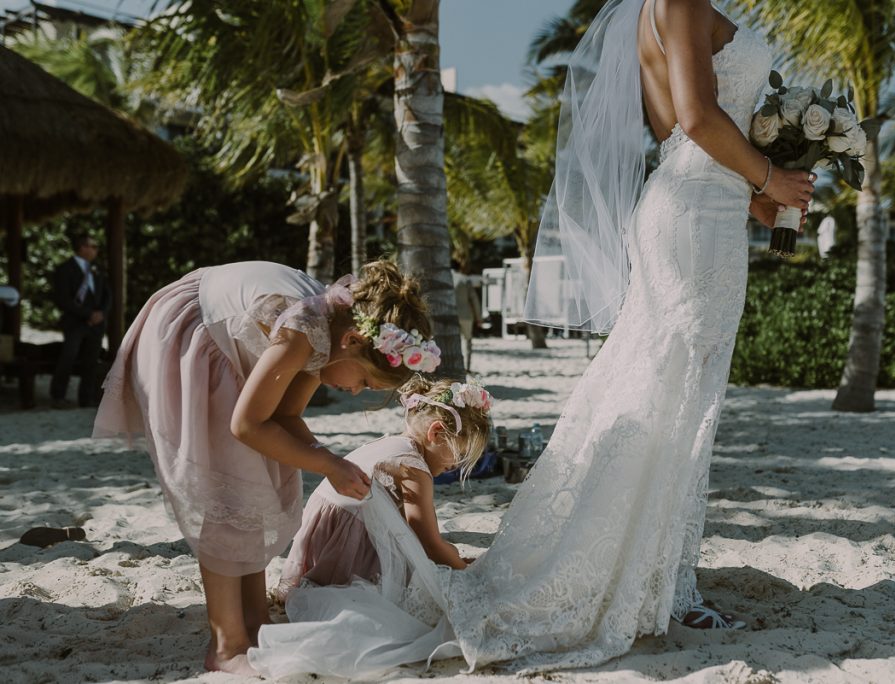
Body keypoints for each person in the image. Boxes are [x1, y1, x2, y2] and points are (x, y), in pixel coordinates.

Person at [237, 0, 818, 677]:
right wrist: (772, 175)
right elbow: (693, 119)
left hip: (701, 203)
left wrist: (754, 194)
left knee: (676, 394)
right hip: (695, 217)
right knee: (675, 397)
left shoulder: (658, 10)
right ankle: (660, 584)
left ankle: (663, 577)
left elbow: (678, 137)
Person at [92, 259, 439, 674]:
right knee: (229, 488)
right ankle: (226, 644)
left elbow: (285, 417)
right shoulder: (307, 328)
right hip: (199, 333)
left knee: (258, 482)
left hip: (238, 350)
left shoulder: (331, 336)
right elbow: (246, 424)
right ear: (351, 341)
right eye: (362, 382)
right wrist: (327, 464)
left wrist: (331, 460)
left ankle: (255, 622)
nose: (353, 391)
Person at [273, 375, 492, 600]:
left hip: (321, 538)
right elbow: (430, 544)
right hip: (346, 545)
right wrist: (465, 571)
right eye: (460, 453)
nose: (455, 465)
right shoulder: (413, 467)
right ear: (435, 433)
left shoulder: (388, 444)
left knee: (449, 555)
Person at [51, 232, 110, 408]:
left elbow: (108, 294)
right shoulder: (64, 269)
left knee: (91, 361)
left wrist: (102, 313)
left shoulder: (97, 269)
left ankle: (87, 398)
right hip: (75, 322)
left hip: (96, 324)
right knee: (68, 358)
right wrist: (87, 314)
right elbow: (63, 299)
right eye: (93, 246)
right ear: (82, 248)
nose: (96, 250)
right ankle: (58, 396)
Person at [451, 262, 483, 372]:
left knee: (452, 341)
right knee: (467, 341)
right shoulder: (465, 279)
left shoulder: (445, 279)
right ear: (459, 267)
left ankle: (453, 365)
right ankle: (467, 367)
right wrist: (479, 317)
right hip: (466, 316)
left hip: (449, 315)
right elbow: (474, 299)